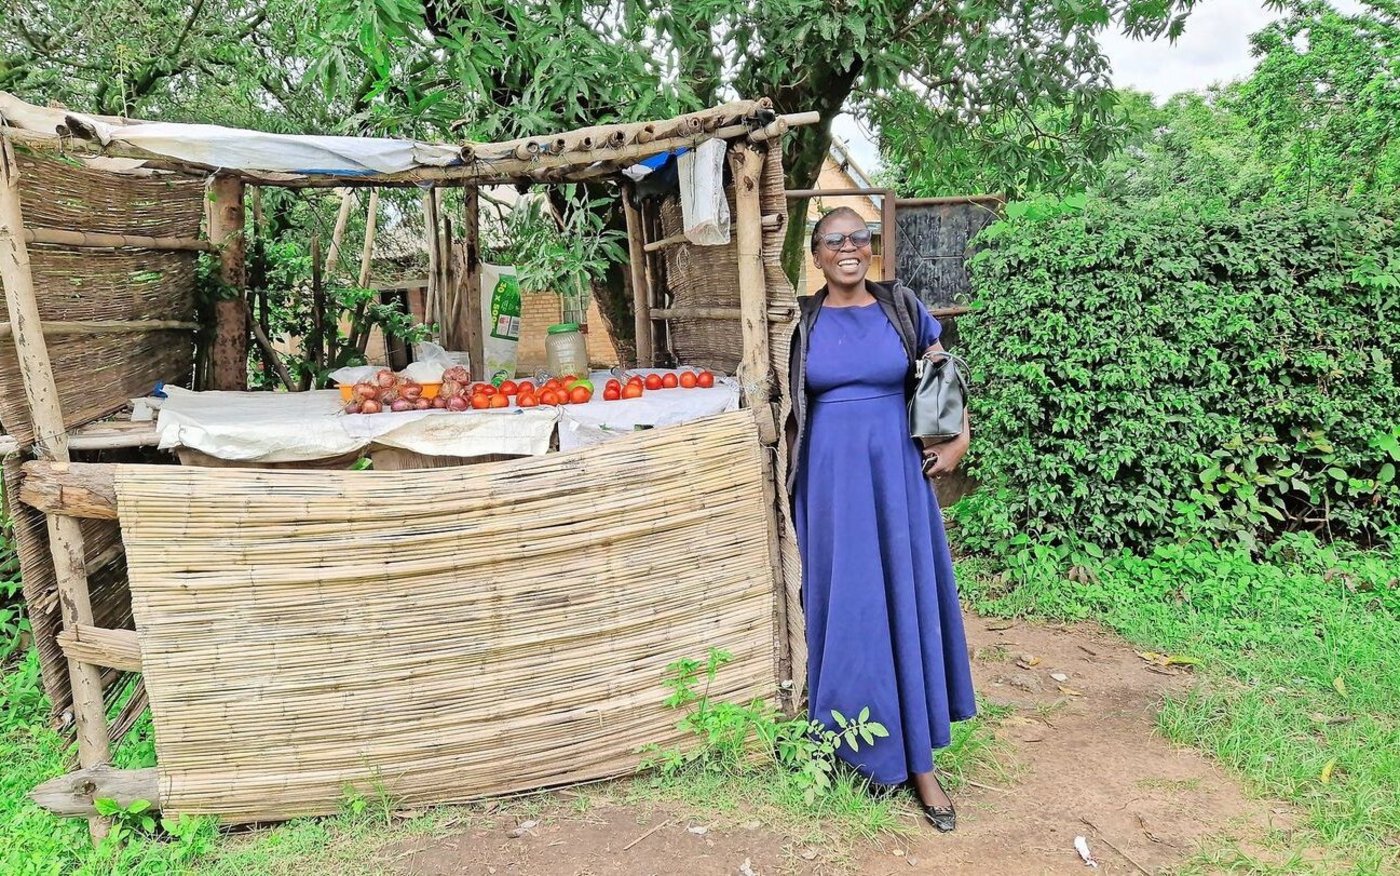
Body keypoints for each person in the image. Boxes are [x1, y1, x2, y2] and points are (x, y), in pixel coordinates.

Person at [785, 206, 977, 832]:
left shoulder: (902, 306)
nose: (848, 248)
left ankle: (919, 764)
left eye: (858, 238)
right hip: (831, 485)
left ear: (871, 249)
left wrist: (956, 440)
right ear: (815, 255)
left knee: (901, 601)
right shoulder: (803, 321)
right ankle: (837, 745)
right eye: (833, 240)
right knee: (847, 605)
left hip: (895, 476)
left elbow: (942, 369)